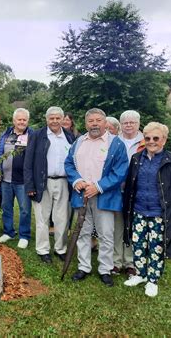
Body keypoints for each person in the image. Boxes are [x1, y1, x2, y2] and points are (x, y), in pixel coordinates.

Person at [123, 122, 171, 297]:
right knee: (138, 245)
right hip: (138, 210)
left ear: (164, 140)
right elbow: (131, 187)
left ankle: (153, 280)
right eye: (147, 138)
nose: (151, 141)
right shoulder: (137, 159)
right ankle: (141, 274)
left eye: (156, 138)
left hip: (160, 214)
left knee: (156, 248)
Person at [65, 108, 129, 287]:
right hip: (82, 196)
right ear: (86, 124)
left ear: (105, 123)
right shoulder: (79, 142)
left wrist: (99, 187)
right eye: (90, 121)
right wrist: (76, 180)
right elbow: (69, 163)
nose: (94, 124)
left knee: (106, 234)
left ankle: (105, 269)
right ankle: (84, 267)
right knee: (83, 233)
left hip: (105, 196)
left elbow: (121, 171)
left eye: (98, 120)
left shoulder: (116, 144)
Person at [24, 106, 76, 262]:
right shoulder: (37, 135)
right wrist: (30, 185)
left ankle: (60, 249)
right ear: (46, 119)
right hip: (42, 182)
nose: (54, 121)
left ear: (62, 119)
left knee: (62, 218)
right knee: (42, 217)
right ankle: (43, 250)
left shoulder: (69, 136)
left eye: (57, 118)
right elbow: (28, 162)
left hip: (63, 182)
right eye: (51, 118)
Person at [112, 110, 146, 277]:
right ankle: (116, 261)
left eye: (132, 122)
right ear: (121, 124)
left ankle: (130, 262)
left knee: (132, 226)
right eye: (125, 122)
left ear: (138, 124)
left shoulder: (145, 141)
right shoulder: (114, 140)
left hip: (137, 190)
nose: (129, 125)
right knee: (117, 226)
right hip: (117, 189)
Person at [0, 108, 34, 249]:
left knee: (25, 209)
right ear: (14, 121)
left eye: (24, 119)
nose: (22, 122)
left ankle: (24, 235)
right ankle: (9, 232)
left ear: (27, 121)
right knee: (6, 207)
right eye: (19, 119)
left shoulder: (32, 135)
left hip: (23, 180)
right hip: (6, 179)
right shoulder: (6, 135)